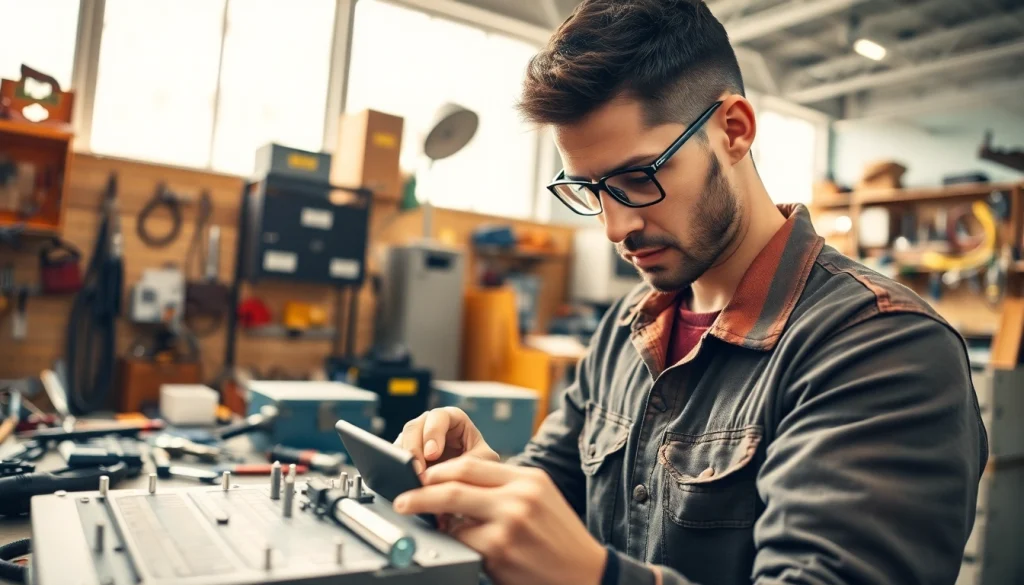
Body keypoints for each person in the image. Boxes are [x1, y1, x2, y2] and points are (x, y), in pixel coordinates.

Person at [393, 1, 988, 584]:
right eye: (591, 191)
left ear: (734, 130)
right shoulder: (629, 328)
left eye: (637, 179)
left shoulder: (881, 348)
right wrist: (486, 484)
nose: (614, 228)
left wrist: (598, 578)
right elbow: (556, 484)